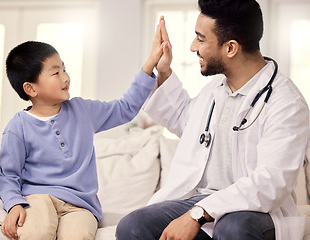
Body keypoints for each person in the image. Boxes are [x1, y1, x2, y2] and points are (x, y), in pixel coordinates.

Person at [116, 0, 309, 239]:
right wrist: (163, 69)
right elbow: (184, 120)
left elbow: (271, 184)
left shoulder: (286, 103)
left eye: (201, 38)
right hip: (202, 201)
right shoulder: (216, 88)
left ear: (230, 48)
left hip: (255, 210)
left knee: (232, 227)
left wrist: (198, 214)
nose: (192, 47)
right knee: (133, 225)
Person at [0, 36, 169, 240]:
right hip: (38, 198)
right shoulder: (18, 126)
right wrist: (14, 203)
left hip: (80, 206)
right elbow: (9, 175)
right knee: (36, 232)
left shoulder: (82, 111)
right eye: (55, 73)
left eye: (64, 69)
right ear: (31, 89)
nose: (65, 77)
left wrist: (150, 64)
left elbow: (125, 108)